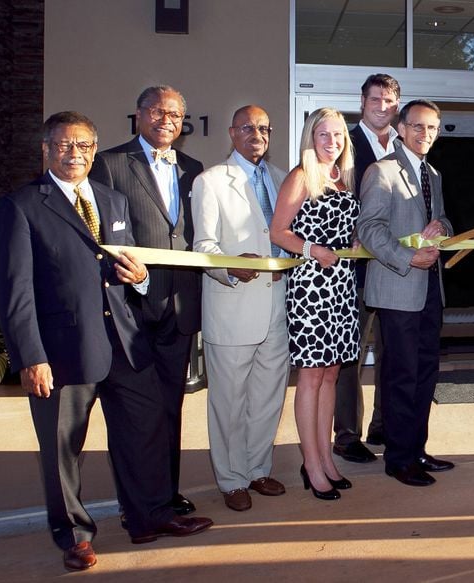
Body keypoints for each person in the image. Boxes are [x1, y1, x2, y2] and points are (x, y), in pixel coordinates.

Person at [0, 112, 212, 571]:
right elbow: (15, 292)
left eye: (82, 146)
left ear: (94, 151)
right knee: (63, 447)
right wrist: (31, 357)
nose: (73, 154)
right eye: (63, 145)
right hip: (61, 351)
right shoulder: (22, 205)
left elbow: (127, 262)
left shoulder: (112, 201)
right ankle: (74, 535)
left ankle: (149, 516)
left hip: (124, 341)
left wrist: (140, 277)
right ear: (46, 149)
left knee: (145, 427)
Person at [90, 85, 204, 514]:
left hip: (179, 309)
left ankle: (167, 494)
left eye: (174, 115)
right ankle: (134, 501)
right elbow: (100, 239)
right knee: (134, 416)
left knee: (171, 409)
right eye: (157, 112)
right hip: (131, 313)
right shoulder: (112, 164)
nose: (166, 121)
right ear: (138, 115)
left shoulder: (193, 168)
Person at [191, 105, 289, 511]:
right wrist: (230, 268)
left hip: (278, 306)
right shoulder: (211, 181)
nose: (257, 135)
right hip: (232, 306)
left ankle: (257, 469)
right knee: (229, 403)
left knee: (268, 397)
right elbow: (203, 248)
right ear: (232, 133)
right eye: (248, 128)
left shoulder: (283, 179)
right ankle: (231, 479)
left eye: (264, 129)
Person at [357, 99, 455, 487]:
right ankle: (398, 459)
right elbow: (370, 228)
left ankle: (417, 448)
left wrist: (442, 228)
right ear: (401, 128)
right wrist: (407, 257)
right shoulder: (381, 172)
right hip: (398, 286)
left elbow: (444, 220)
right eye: (418, 126)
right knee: (401, 376)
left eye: (432, 128)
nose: (425, 134)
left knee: (426, 374)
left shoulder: (433, 173)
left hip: (431, 288)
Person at [270, 108, 360, 500]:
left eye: (338, 135)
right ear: (311, 137)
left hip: (341, 286)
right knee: (311, 377)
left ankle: (325, 457)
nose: (331, 142)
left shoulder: (343, 178)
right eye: (323, 135)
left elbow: (344, 230)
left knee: (332, 375)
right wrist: (314, 250)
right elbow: (278, 231)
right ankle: (310, 463)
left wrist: (353, 246)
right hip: (310, 286)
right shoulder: (301, 175)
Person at [333, 73, 401, 464]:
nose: (382, 106)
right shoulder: (343, 143)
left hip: (394, 268)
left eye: (389, 100)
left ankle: (384, 424)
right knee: (350, 356)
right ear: (362, 101)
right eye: (375, 98)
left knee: (393, 352)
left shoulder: (405, 144)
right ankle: (346, 434)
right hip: (353, 271)